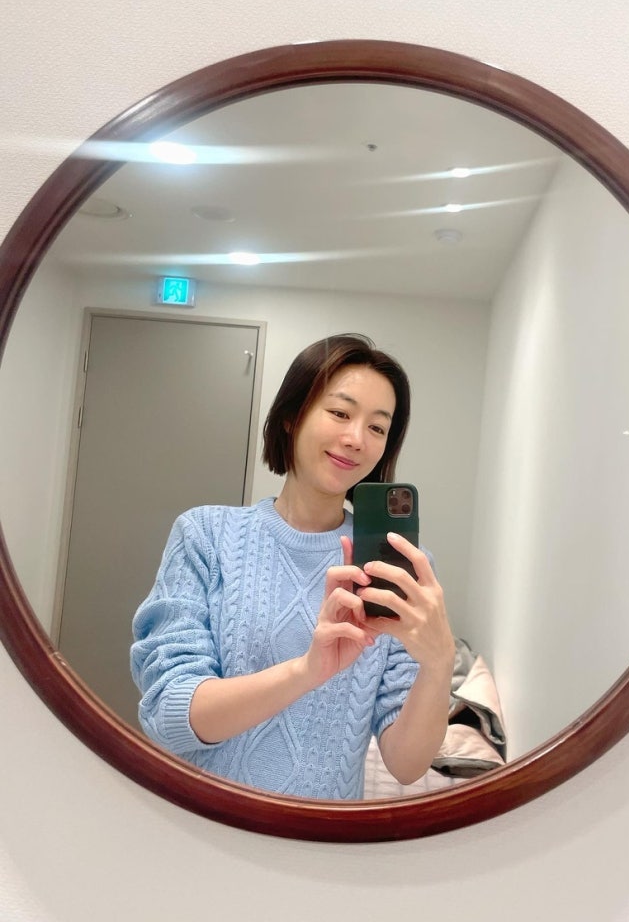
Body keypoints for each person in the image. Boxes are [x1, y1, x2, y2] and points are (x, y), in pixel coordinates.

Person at [130, 334, 455, 800]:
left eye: (377, 427)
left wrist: (439, 664)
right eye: (340, 413)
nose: (356, 439)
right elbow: (170, 715)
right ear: (291, 416)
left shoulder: (401, 568)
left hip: (322, 836)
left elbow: (406, 765)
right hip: (202, 825)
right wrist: (306, 671)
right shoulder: (205, 535)